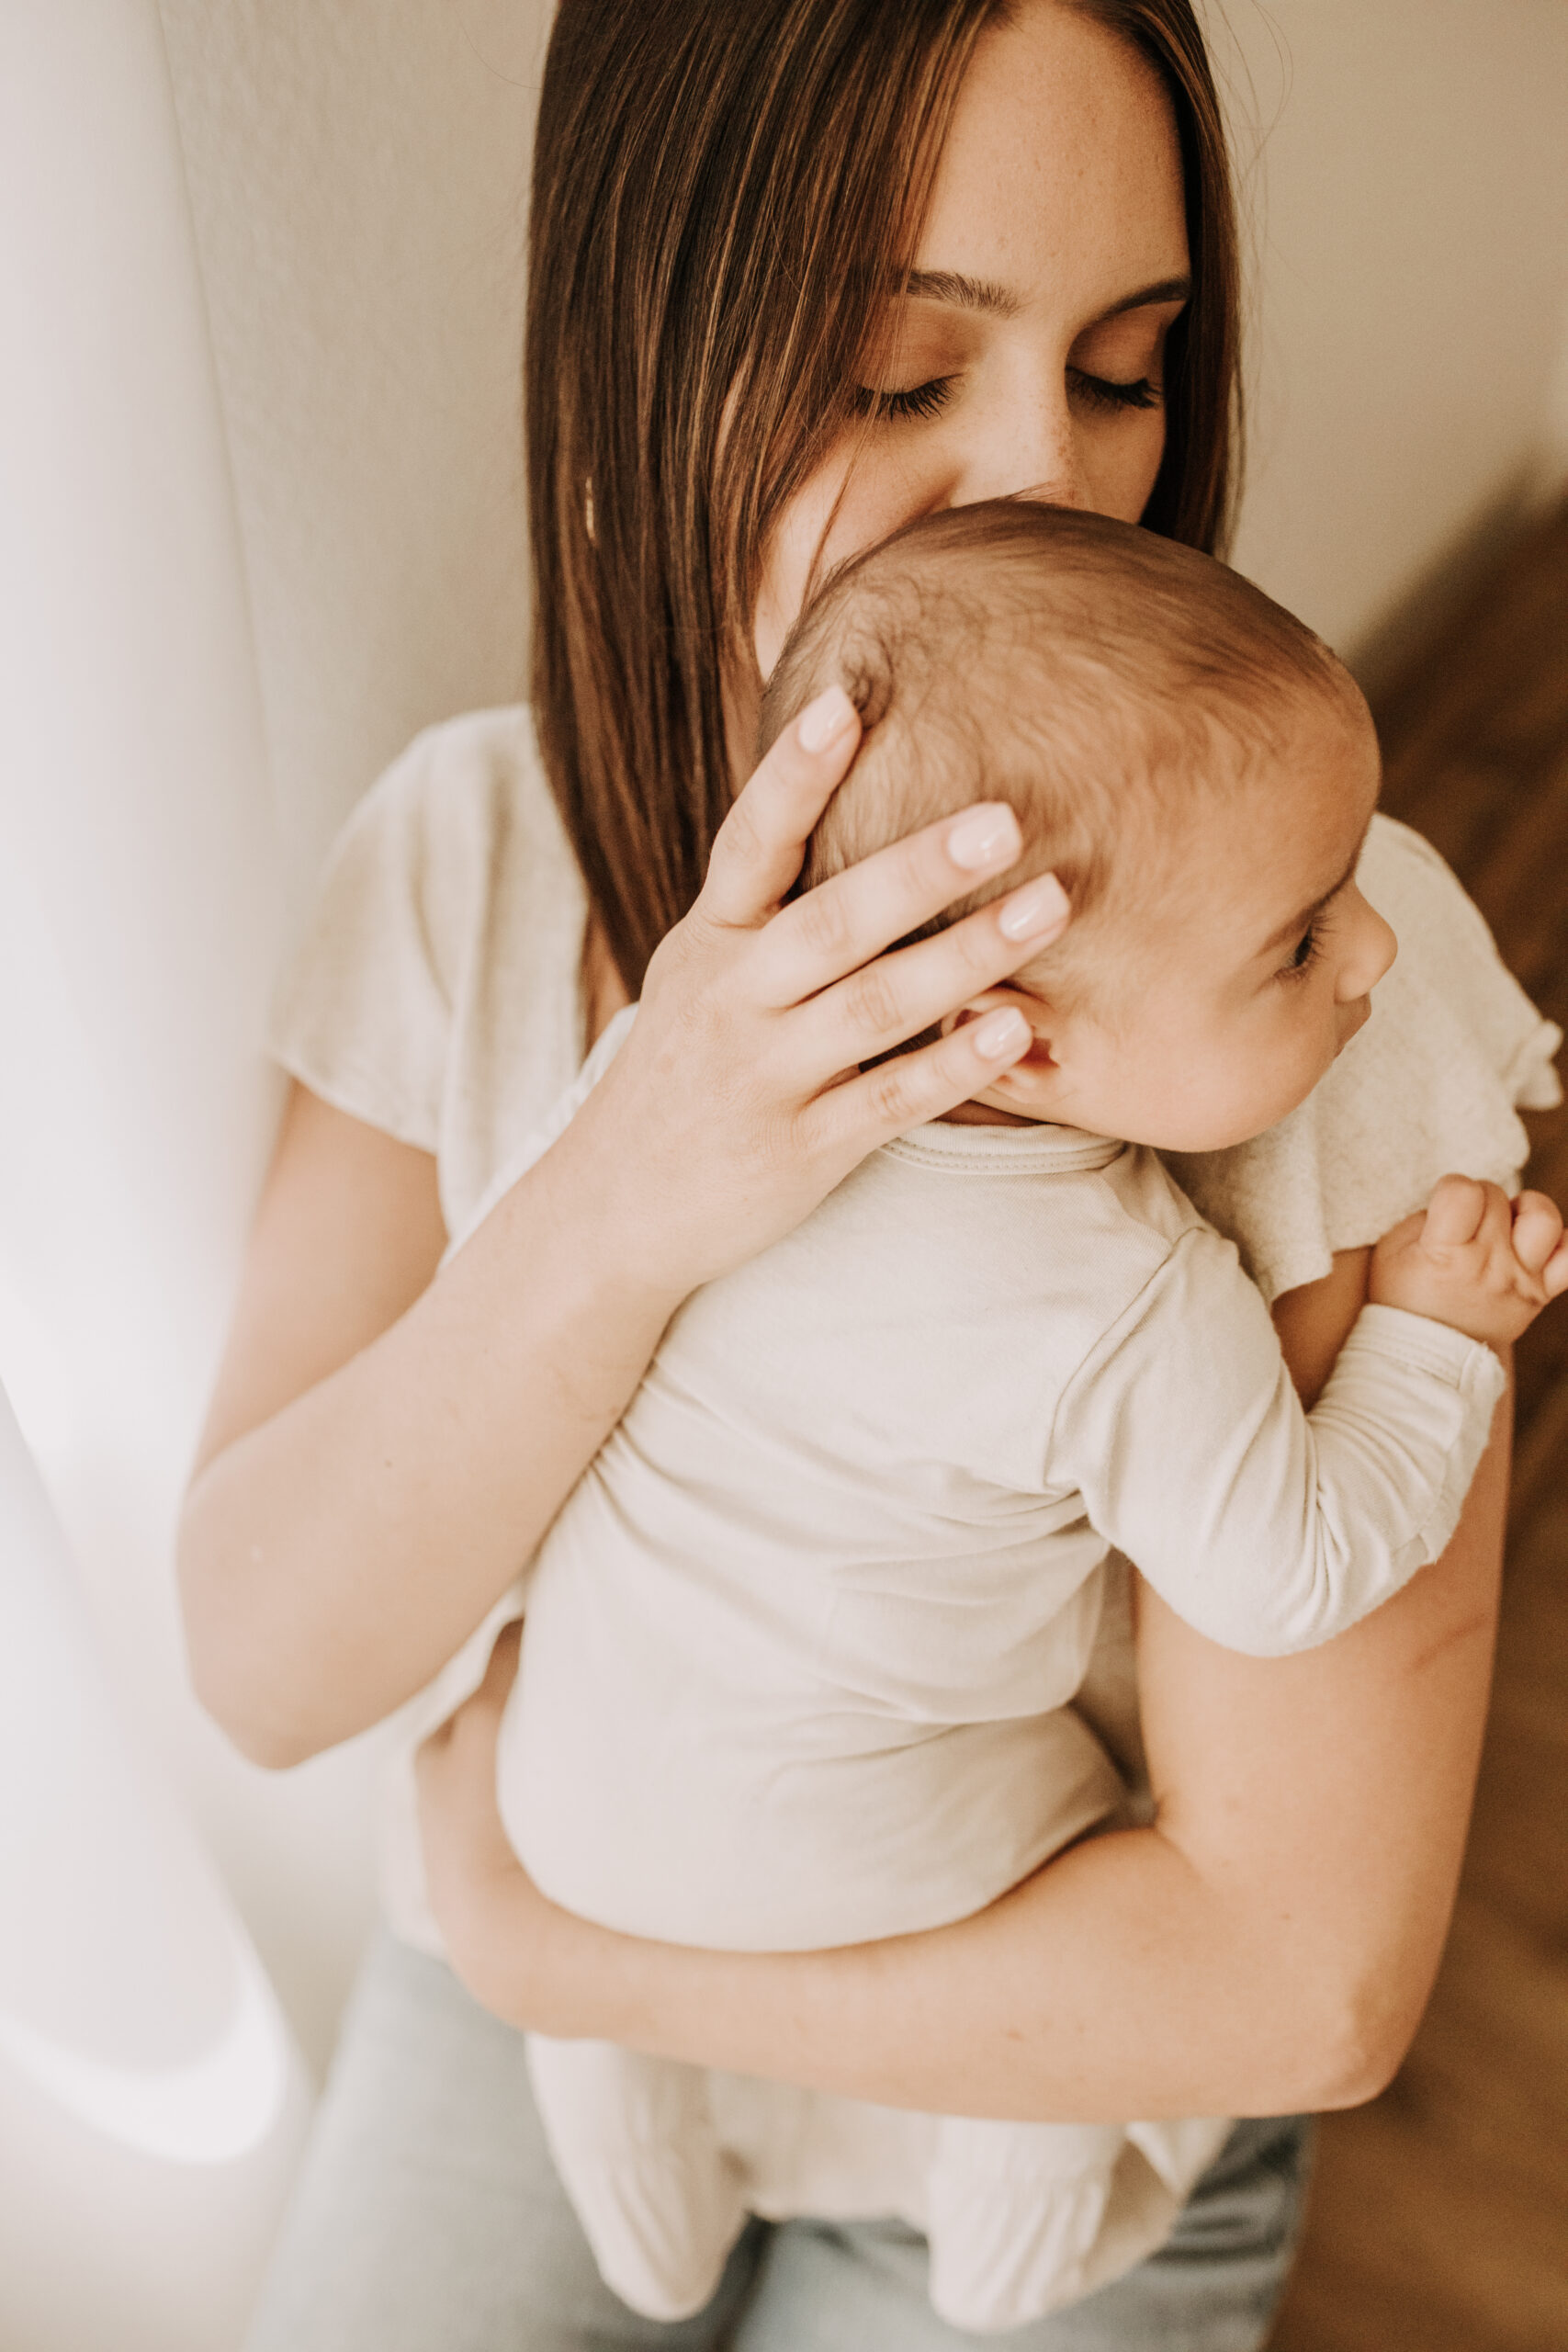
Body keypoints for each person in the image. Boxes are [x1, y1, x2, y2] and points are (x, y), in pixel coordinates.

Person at [176, 4, 1562, 2346]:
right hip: (532, 2012)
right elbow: (271, 1663)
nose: (1046, 475)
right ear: (641, 357)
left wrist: (565, 1943)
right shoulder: (469, 857)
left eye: (1124, 368)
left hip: (1045, 2077)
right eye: (895, 375)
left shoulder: (1315, 966)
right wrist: (632, 1179)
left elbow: (1298, 1979)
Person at [460, 502, 1562, 2336]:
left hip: (560, 1803)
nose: (1373, 953)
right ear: (1025, 1040)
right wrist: (1437, 1337)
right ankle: (1005, 2234)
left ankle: (635, 2177)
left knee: (646, 1726)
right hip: (873, 1864)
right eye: (1296, 942)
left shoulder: (692, 1102)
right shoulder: (1111, 1292)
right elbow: (1288, 1569)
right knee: (1093, 1835)